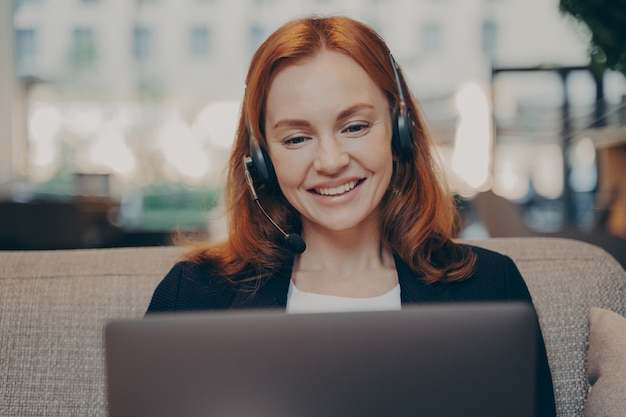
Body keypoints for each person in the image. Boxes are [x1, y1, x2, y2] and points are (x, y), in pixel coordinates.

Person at [146, 15, 555, 415]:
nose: (330, 161)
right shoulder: (194, 295)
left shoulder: (490, 287)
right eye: (297, 138)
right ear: (261, 161)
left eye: (355, 127)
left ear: (400, 133)